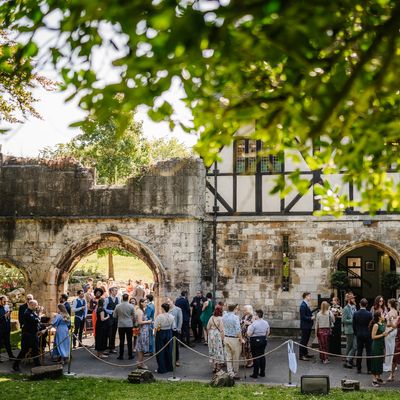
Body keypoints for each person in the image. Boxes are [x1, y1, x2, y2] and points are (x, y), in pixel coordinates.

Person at [13, 300, 44, 371]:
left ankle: (38, 365)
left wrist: (38, 316)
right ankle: (15, 365)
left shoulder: (33, 312)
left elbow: (38, 321)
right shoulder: (27, 313)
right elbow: (36, 320)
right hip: (28, 335)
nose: (36, 307)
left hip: (34, 334)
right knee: (24, 351)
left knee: (35, 350)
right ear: (32, 305)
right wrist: (39, 315)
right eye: (36, 305)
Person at [247, 309, 270, 379]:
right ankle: (262, 372)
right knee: (262, 355)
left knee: (255, 357)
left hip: (255, 340)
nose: (254, 316)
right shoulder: (266, 322)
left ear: (257, 315)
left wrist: (248, 327)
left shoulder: (254, 323)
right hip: (263, 339)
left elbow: (249, 334)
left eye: (254, 314)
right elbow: (268, 332)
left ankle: (255, 373)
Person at [222, 304, 243, 379]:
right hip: (234, 339)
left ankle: (230, 373)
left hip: (226, 337)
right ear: (234, 309)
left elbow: (223, 327)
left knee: (228, 357)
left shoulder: (224, 316)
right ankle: (235, 373)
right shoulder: (235, 317)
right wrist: (241, 339)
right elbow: (238, 330)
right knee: (236, 357)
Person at [370, 311, 390, 387]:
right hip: (376, 346)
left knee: (380, 361)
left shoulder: (383, 324)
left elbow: (383, 334)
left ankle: (378, 377)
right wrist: (382, 334)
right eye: (382, 314)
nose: (383, 315)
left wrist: (386, 334)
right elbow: (373, 337)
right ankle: (374, 379)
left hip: (381, 345)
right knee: (375, 361)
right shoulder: (376, 325)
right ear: (379, 317)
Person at [353, 298, 373, 374]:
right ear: (367, 305)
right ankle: (369, 369)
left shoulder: (355, 314)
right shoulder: (369, 314)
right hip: (367, 334)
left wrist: (356, 333)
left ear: (359, 304)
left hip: (359, 334)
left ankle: (359, 368)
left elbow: (354, 325)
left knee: (359, 352)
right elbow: (371, 325)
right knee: (369, 352)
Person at [113, 293, 135, 360]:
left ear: (122, 298)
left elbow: (114, 316)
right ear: (128, 298)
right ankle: (130, 355)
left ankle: (121, 355)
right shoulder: (131, 306)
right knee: (129, 340)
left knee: (121, 340)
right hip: (129, 324)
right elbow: (133, 315)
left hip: (121, 324)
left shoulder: (118, 306)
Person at [154, 302, 174, 374]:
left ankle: (162, 368)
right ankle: (169, 367)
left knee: (160, 351)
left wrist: (155, 334)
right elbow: (173, 326)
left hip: (161, 333)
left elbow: (156, 327)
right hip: (169, 332)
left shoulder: (160, 316)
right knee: (168, 350)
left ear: (163, 308)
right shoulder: (172, 316)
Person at [206, 305, 225, 373]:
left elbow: (208, 327)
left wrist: (209, 335)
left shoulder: (211, 317)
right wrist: (223, 339)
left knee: (212, 350)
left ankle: (214, 366)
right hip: (217, 335)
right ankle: (218, 367)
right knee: (218, 351)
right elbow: (222, 330)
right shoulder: (220, 319)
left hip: (211, 335)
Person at [135, 298, 152, 368]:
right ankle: (140, 363)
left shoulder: (142, 310)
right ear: (141, 303)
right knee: (140, 348)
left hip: (144, 330)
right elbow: (139, 322)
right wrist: (148, 322)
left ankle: (141, 363)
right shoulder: (139, 311)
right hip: (142, 331)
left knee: (142, 348)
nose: (146, 304)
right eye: (145, 302)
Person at [383, 298, 398, 372]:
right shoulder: (396, 312)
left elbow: (390, 324)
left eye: (388, 303)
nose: (387, 304)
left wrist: (386, 320)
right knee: (392, 347)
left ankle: (388, 364)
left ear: (390, 304)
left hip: (389, 331)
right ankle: (392, 363)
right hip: (394, 331)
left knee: (388, 348)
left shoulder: (390, 313)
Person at [342, 292, 357, 368]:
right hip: (349, 330)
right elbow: (343, 320)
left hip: (355, 329)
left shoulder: (354, 307)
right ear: (349, 300)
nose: (354, 299)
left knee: (355, 346)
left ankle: (349, 359)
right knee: (349, 346)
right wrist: (353, 320)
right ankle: (348, 361)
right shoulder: (345, 308)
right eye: (352, 298)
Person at [299, 292, 315, 361]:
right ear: (306, 296)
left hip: (308, 326)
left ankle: (305, 353)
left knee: (306, 340)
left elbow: (307, 313)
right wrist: (311, 318)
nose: (310, 297)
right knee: (303, 340)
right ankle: (301, 355)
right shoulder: (303, 305)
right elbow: (303, 317)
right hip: (305, 326)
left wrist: (311, 315)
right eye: (309, 296)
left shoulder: (306, 304)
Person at [167, 297, 183, 366]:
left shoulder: (178, 309)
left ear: (172, 301)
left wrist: (179, 328)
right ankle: (169, 359)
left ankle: (176, 360)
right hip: (167, 329)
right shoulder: (166, 309)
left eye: (169, 301)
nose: (168, 303)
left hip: (175, 330)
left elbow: (180, 319)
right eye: (167, 302)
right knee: (168, 345)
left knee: (175, 345)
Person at [104, 287, 119, 353]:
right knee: (109, 333)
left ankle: (112, 348)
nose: (116, 292)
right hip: (109, 318)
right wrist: (111, 311)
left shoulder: (117, 299)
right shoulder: (107, 299)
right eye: (115, 291)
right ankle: (106, 347)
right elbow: (104, 309)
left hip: (115, 318)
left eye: (116, 291)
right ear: (111, 291)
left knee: (114, 333)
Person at [0, 295, 15, 361]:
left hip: (6, 328)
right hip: (0, 329)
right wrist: (4, 316)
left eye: (6, 301)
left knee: (8, 343)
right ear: (0, 300)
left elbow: (8, 318)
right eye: (4, 301)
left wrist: (8, 314)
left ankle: (11, 356)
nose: (6, 302)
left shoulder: (6, 307)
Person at [388, 312, 400, 382]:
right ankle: (391, 375)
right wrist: (389, 320)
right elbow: (394, 326)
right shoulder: (398, 318)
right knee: (394, 358)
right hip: (398, 340)